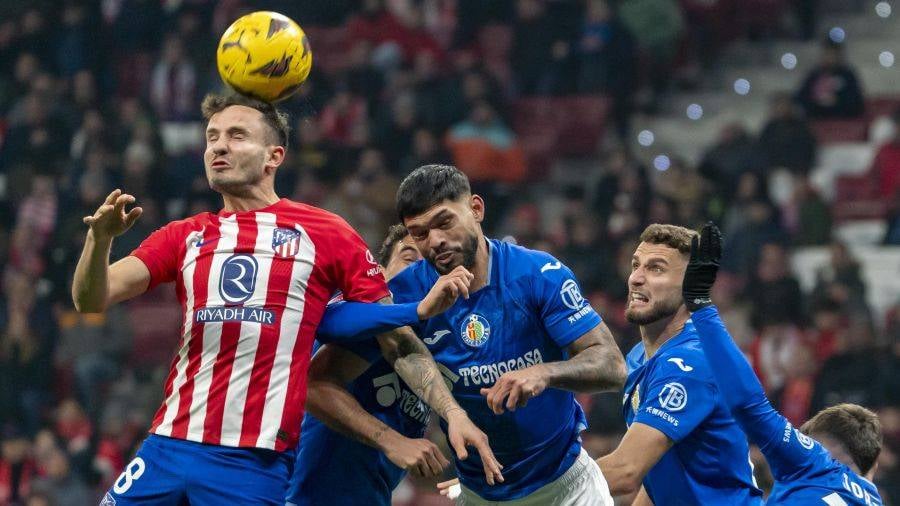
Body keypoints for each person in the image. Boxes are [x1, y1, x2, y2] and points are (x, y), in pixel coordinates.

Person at [72, 93, 497, 505]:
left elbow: (396, 338)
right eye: (212, 137)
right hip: (166, 446)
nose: (219, 146)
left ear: (274, 156)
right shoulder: (185, 235)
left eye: (237, 135)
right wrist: (99, 240)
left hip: (252, 462)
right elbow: (91, 299)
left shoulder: (326, 233)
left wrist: (452, 413)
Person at [320, 164, 627, 505]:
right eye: (419, 233)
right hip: (478, 495)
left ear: (476, 209)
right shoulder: (405, 295)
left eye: (444, 222)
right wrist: (390, 440)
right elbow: (318, 377)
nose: (435, 241)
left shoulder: (538, 274)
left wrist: (544, 373)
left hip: (569, 489)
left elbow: (612, 366)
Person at [682, 222, 883, 505]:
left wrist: (702, 306)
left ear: (826, 449)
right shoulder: (873, 499)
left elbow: (748, 404)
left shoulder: (813, 464)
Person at [594, 224, 762, 504]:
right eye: (636, 265)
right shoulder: (638, 356)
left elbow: (625, 471)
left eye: (656, 269)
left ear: (690, 286)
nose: (636, 278)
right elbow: (658, 474)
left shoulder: (691, 363)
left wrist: (536, 488)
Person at [287, 224, 451, 505]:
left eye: (430, 265)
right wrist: (393, 441)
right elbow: (311, 387)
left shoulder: (435, 340)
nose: (419, 273)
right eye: (409, 259)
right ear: (380, 272)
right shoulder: (364, 314)